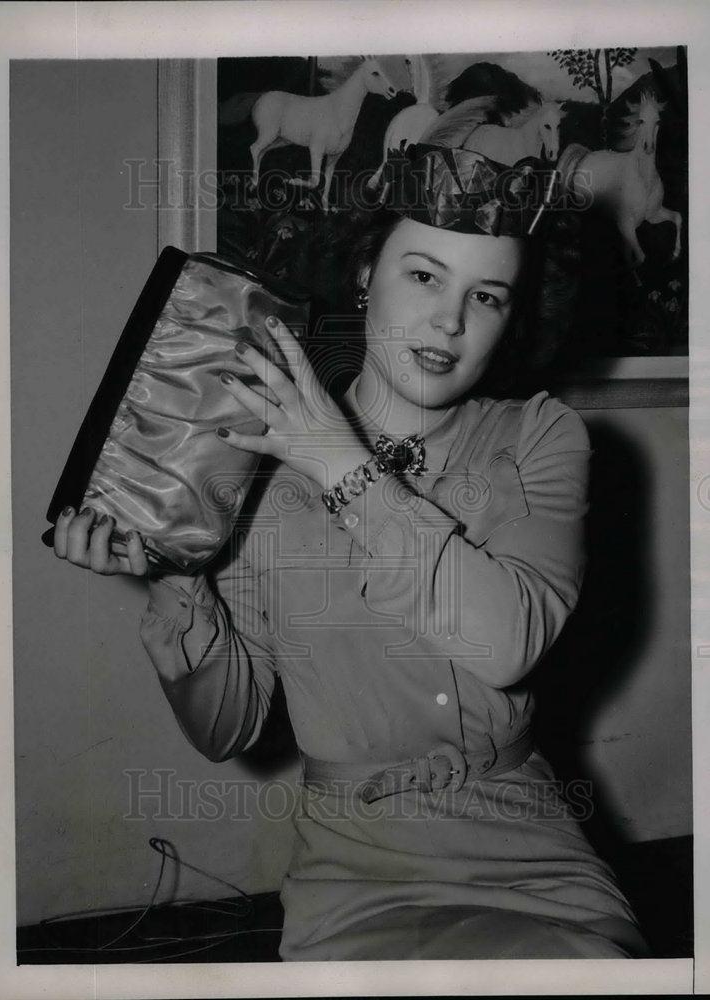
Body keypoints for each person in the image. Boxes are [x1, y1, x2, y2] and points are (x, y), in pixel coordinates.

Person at [53, 142, 651, 960]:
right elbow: (227, 730)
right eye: (423, 276)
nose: (449, 321)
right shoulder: (246, 470)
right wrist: (180, 576)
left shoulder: (539, 436)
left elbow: (503, 644)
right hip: (351, 873)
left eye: (486, 295)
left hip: (530, 858)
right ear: (366, 273)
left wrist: (334, 457)